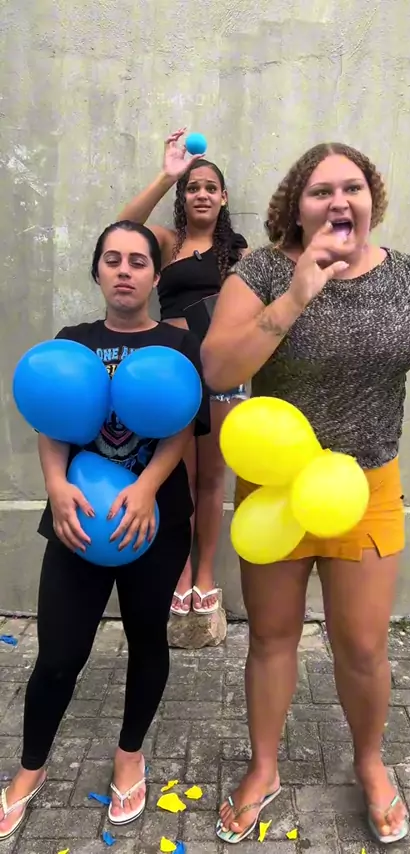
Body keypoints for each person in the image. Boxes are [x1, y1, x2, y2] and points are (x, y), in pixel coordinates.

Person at [201, 142, 410, 845]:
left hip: (368, 486)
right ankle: (264, 768)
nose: (338, 201)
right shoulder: (262, 271)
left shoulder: (408, 275)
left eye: (351, 187)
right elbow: (219, 368)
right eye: (320, 191)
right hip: (275, 489)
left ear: (370, 199)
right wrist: (297, 295)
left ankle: (371, 764)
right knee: (272, 637)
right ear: (297, 206)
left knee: (362, 645)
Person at [0, 221, 210, 841]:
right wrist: (54, 486)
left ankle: (129, 757)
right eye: (112, 259)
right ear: (97, 271)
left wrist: (145, 489)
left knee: (147, 643)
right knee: (58, 657)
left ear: (155, 275)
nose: (124, 270)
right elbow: (52, 419)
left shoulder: (177, 343)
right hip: (77, 521)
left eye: (138, 261)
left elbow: (180, 425)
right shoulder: (73, 341)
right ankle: (30, 768)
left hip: (154, 523)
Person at [118, 128, 249, 618]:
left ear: (223, 197)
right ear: (183, 196)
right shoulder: (167, 243)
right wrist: (166, 175)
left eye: (210, 188)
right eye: (192, 188)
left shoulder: (237, 252)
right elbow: (122, 229)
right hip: (172, 373)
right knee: (178, 476)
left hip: (219, 373)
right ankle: (180, 572)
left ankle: (206, 572)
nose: (201, 194)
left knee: (211, 479)